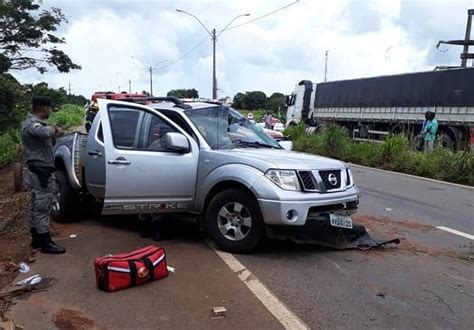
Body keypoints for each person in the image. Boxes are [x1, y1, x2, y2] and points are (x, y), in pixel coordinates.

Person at [22, 96, 66, 254]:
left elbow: (48, 142)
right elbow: (42, 132)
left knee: (36, 207)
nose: (50, 111)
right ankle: (46, 243)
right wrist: (53, 129)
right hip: (41, 173)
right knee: (42, 207)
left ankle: (37, 240)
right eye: (49, 108)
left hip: (39, 172)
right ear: (43, 108)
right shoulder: (33, 124)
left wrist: (53, 134)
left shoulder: (35, 124)